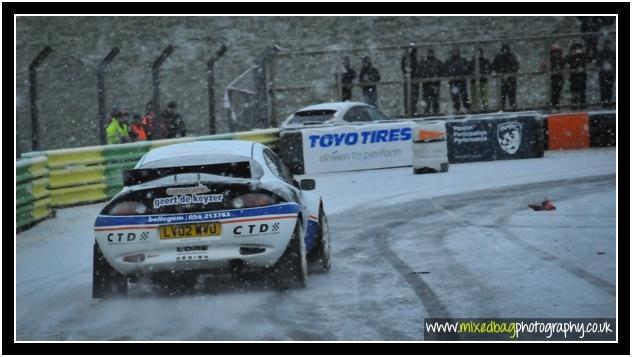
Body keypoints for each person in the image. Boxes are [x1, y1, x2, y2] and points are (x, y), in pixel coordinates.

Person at [492, 44, 520, 110]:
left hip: (511, 78)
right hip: (503, 79)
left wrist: (508, 74)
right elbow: (494, 65)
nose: (505, 51)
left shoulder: (511, 56)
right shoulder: (499, 57)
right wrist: (499, 73)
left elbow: (516, 66)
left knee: (511, 94)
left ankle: (512, 106)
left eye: (506, 50)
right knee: (503, 94)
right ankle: (503, 107)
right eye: (504, 50)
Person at [444, 46, 470, 113]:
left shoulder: (462, 60)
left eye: (457, 51)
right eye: (454, 51)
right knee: (455, 96)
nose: (455, 53)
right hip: (453, 82)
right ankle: (457, 109)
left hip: (462, 81)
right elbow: (445, 70)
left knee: (464, 96)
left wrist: (465, 72)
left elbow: (468, 68)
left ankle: (467, 108)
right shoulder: (449, 61)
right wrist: (449, 75)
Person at [540, 44, 566, 109]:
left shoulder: (560, 60)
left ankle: (556, 104)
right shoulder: (549, 60)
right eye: (554, 52)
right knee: (553, 92)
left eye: (557, 52)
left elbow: (565, 66)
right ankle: (553, 104)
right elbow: (543, 67)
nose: (556, 54)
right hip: (552, 78)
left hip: (559, 78)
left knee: (557, 92)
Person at [419, 47, 443, 115]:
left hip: (434, 83)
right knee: (428, 99)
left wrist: (437, 78)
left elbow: (442, 70)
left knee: (434, 99)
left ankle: (434, 111)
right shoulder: (425, 62)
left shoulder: (436, 62)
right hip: (427, 84)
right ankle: (428, 111)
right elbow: (420, 71)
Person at [566, 42, 589, 109]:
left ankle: (580, 103)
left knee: (581, 90)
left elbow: (586, 60)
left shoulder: (582, 56)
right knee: (575, 90)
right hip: (575, 76)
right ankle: (576, 103)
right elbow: (569, 62)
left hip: (580, 75)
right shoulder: (572, 57)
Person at [401, 46, 420, 115]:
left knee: (414, 97)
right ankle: (409, 111)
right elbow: (405, 69)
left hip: (414, 81)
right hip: (410, 81)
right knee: (409, 96)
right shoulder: (407, 59)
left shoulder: (413, 58)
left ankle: (413, 111)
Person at [596, 39, 615, 106]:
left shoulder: (612, 52)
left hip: (608, 73)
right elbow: (598, 63)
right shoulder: (603, 53)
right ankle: (605, 102)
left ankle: (606, 101)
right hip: (605, 73)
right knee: (605, 89)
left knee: (608, 88)